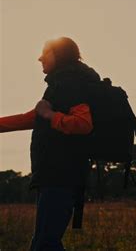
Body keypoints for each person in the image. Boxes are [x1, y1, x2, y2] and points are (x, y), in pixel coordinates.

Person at [0, 37, 100, 250]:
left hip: (61, 175)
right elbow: (33, 117)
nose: (40, 58)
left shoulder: (71, 84)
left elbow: (83, 124)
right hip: (54, 175)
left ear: (60, 55)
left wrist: (49, 114)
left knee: (44, 244)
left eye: (46, 52)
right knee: (43, 243)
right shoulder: (62, 84)